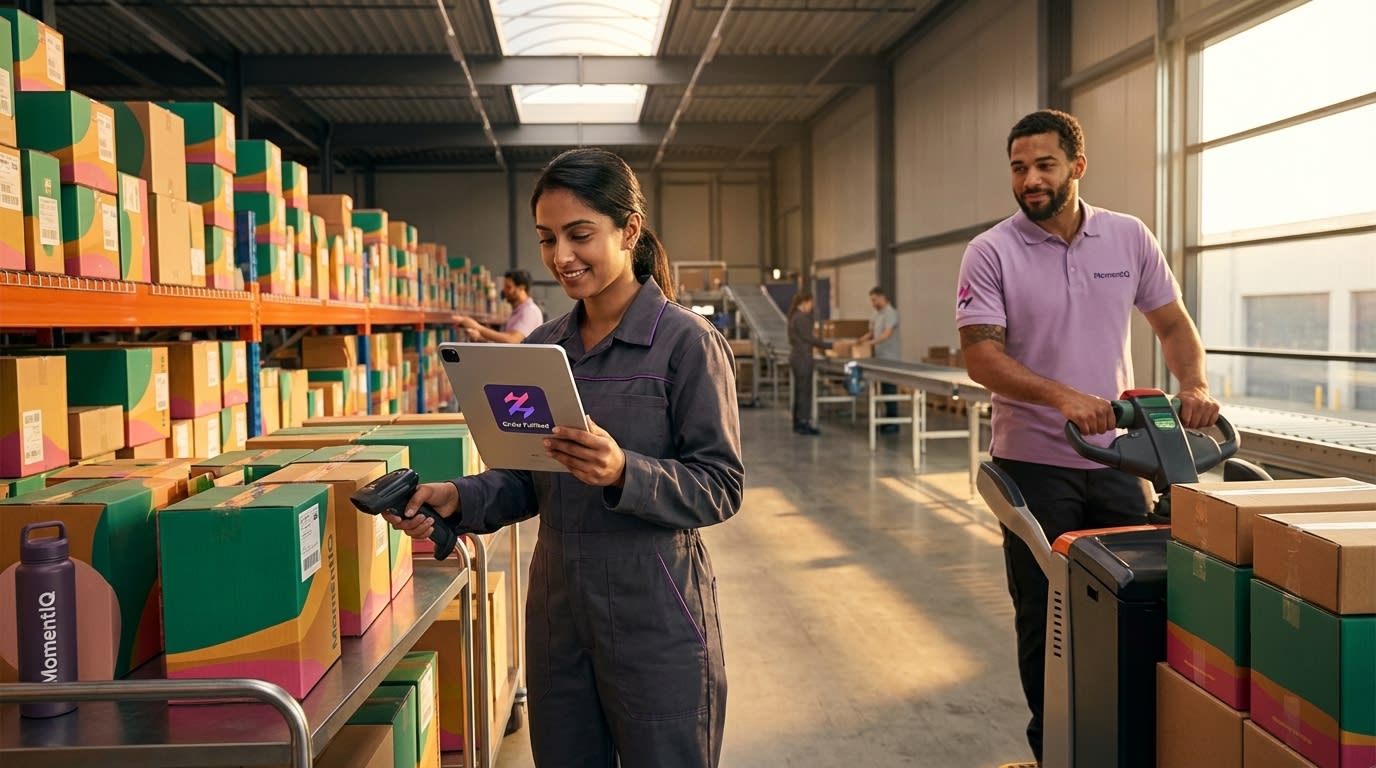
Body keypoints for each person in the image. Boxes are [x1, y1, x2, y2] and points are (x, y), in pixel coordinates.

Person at [384, 148, 744, 768]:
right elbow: (526, 476)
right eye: (547, 239)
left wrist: (625, 471)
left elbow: (721, 484)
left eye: (580, 235)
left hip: (654, 604)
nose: (561, 258)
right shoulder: (544, 346)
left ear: (628, 230)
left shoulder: (686, 343)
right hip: (558, 606)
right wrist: (459, 497)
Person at [954, 109, 1218, 766]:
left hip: (1120, 460)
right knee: (1048, 619)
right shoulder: (990, 252)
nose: (1031, 180)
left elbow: (1174, 325)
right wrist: (1063, 396)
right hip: (1033, 465)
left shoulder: (1127, 238)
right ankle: (1056, 751)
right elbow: (981, 358)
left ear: (1077, 165)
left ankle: (1130, 741)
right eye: (1019, 168)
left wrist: (1194, 385)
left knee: (1142, 601)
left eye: (1044, 165)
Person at [786, 289, 831, 435]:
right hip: (803, 359)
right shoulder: (802, 317)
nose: (811, 306)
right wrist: (829, 346)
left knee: (800, 392)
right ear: (805, 302)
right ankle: (803, 423)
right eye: (811, 303)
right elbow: (809, 338)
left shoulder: (794, 317)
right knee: (804, 392)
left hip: (798, 357)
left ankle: (798, 422)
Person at [459, 269, 544, 343]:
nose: (504, 291)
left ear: (521, 288)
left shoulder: (529, 311)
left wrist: (477, 327)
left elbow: (512, 340)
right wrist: (480, 338)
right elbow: (506, 340)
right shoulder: (518, 312)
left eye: (508, 287)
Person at [858, 286, 901, 432]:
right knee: (883, 390)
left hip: (890, 358)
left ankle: (893, 422)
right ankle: (886, 420)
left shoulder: (891, 313)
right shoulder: (876, 314)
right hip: (879, 358)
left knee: (890, 389)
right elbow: (870, 332)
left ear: (882, 297)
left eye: (874, 300)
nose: (873, 303)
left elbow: (887, 334)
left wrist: (871, 343)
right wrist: (860, 341)